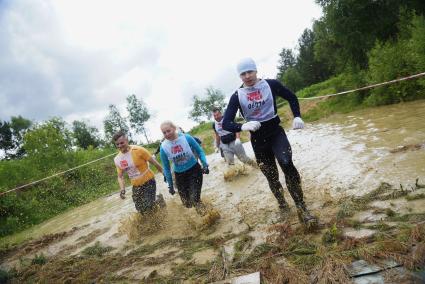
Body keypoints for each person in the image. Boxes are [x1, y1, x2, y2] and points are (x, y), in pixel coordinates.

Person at [222, 58, 318, 227]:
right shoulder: (237, 95)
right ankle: (282, 205)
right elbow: (226, 123)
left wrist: (297, 115)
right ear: (240, 76)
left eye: (250, 71)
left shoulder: (271, 84)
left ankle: (302, 208)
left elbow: (292, 97)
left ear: (256, 70)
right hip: (258, 140)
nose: (247, 76)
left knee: (287, 163)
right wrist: (243, 125)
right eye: (243, 74)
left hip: (275, 133)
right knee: (272, 176)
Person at [159, 121, 210, 215]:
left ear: (174, 129)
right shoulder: (163, 147)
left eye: (168, 131)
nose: (167, 134)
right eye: (164, 133)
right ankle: (206, 211)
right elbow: (166, 168)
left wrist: (205, 164)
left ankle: (208, 217)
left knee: (195, 198)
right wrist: (170, 185)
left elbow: (200, 151)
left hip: (194, 170)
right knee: (187, 203)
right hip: (179, 175)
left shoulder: (186, 138)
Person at [113, 130, 166, 214]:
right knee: (140, 209)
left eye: (122, 143)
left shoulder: (139, 150)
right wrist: (122, 190)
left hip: (149, 181)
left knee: (149, 205)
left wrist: (165, 174)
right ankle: (156, 201)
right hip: (136, 185)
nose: (120, 146)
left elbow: (155, 163)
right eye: (117, 144)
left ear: (127, 140)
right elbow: (120, 176)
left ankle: (158, 202)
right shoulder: (117, 159)